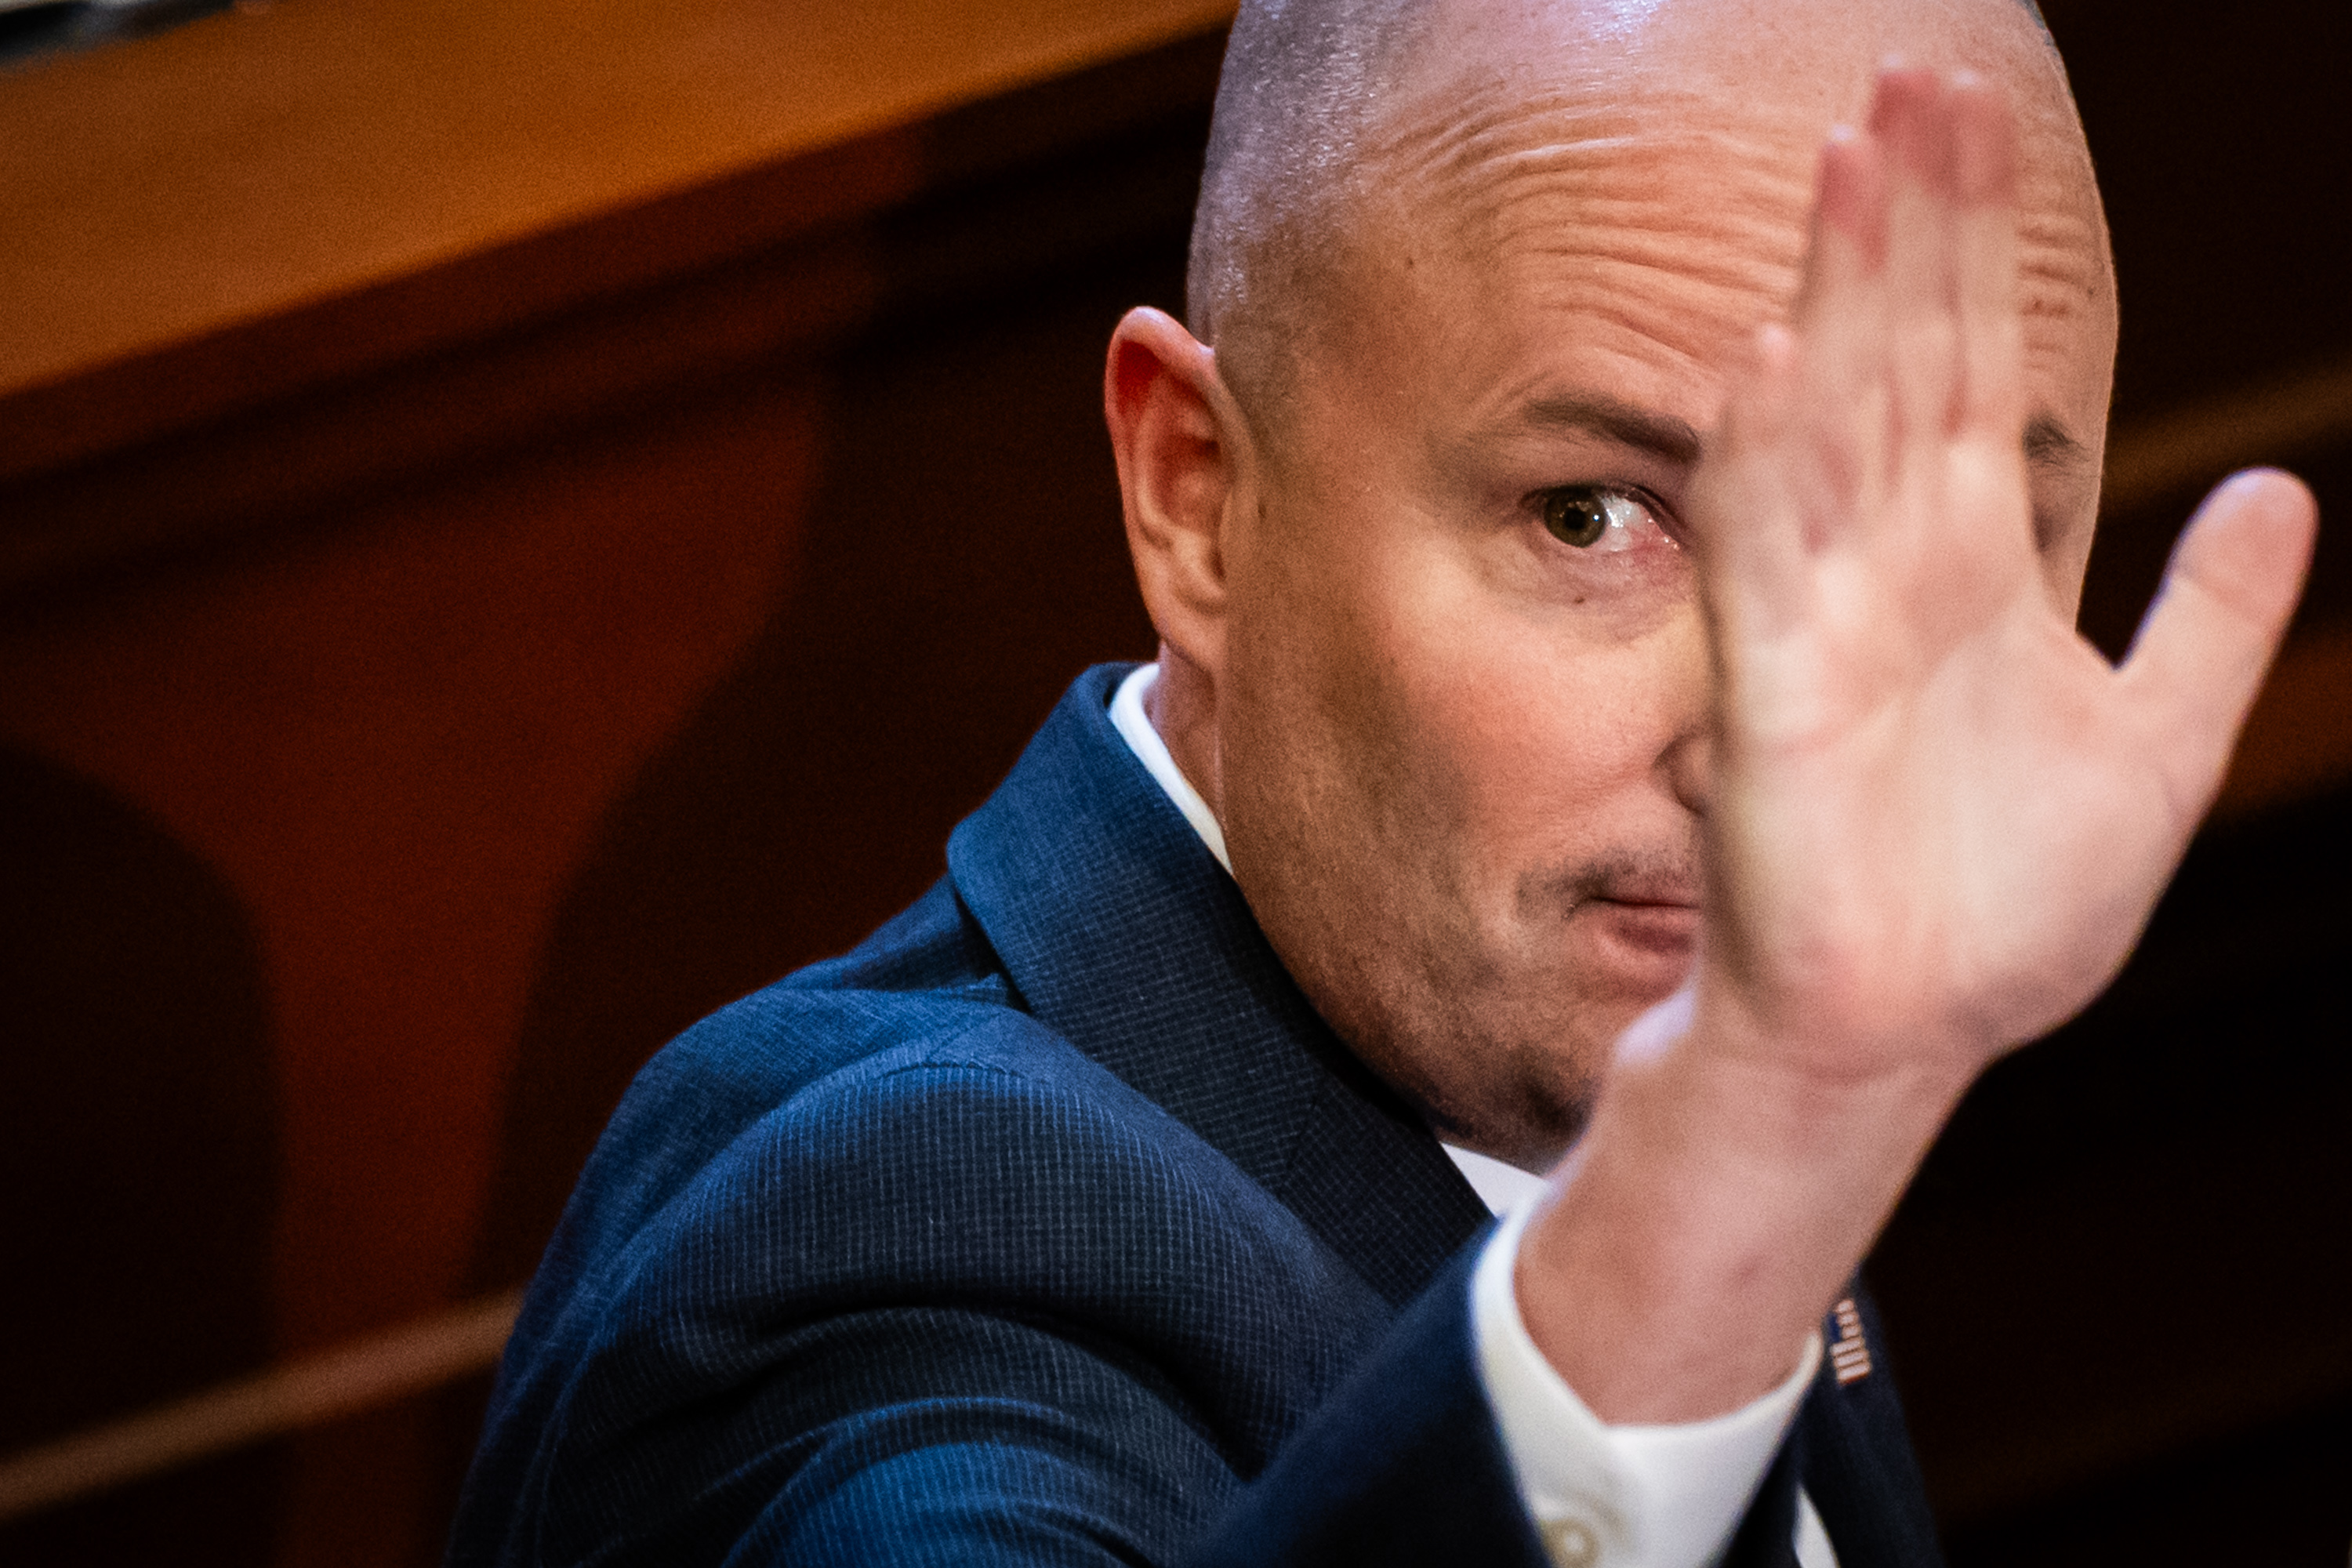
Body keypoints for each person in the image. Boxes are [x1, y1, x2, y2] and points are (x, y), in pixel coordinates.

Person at [449, 0, 2318, 1563]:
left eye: (1924, 525)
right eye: (1595, 517)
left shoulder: (1608, 1068)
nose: (1777, 724)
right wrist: (1760, 1130)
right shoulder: (893, 1240)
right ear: (1198, 496)